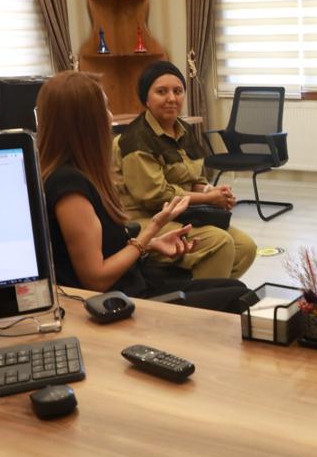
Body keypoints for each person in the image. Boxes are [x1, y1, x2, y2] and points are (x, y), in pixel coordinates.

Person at [37, 70, 251, 313]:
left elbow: (107, 248)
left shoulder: (82, 174)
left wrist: (153, 244)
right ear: (85, 121)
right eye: (105, 109)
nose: (110, 117)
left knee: (236, 287)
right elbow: (96, 279)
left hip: (136, 283)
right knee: (239, 297)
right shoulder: (69, 187)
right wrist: (150, 232)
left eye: (177, 91)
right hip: (121, 302)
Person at [113, 60, 256, 281]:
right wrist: (208, 198)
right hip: (146, 220)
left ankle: (209, 292)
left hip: (183, 214)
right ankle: (204, 300)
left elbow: (194, 177)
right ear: (146, 99)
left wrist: (212, 191)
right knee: (219, 243)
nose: (172, 98)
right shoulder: (135, 140)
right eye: (162, 91)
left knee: (246, 248)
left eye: (178, 91)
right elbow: (155, 196)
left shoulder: (184, 130)